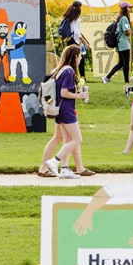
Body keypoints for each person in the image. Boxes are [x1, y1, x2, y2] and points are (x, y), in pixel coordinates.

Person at [42, 45, 89, 179]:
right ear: (75, 56)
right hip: (66, 109)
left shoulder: (60, 69)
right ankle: (55, 160)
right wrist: (79, 96)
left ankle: (65, 169)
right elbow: (64, 93)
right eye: (80, 56)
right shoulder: (69, 71)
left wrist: (75, 92)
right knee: (77, 139)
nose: (80, 59)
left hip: (60, 109)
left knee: (67, 139)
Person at [103, 1, 133, 84]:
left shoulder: (120, 18)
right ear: (125, 8)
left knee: (121, 63)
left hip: (120, 44)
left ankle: (107, 77)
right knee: (126, 63)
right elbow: (127, 31)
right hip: (124, 44)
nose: (130, 9)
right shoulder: (124, 18)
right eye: (129, 7)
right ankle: (126, 81)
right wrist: (130, 29)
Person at [61, 1, 89, 80]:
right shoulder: (76, 18)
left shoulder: (70, 17)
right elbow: (76, 32)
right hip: (75, 41)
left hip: (70, 40)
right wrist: (85, 42)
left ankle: (74, 76)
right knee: (80, 58)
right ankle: (81, 76)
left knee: (70, 59)